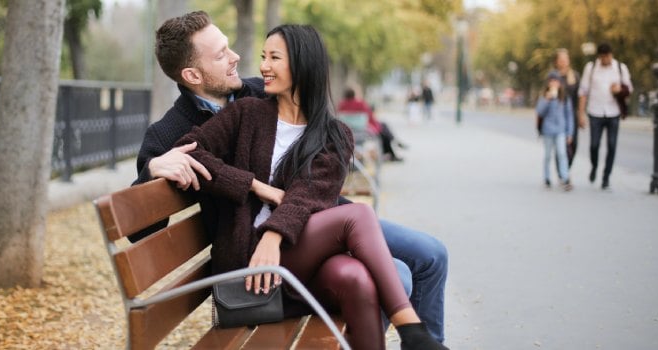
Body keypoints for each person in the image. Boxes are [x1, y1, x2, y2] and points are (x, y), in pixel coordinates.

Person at [134, 11, 448, 345]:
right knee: (395, 274)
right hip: (259, 244)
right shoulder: (169, 132)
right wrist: (152, 168)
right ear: (192, 74)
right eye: (221, 53)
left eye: (230, 47)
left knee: (431, 255)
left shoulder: (257, 91)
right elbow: (141, 227)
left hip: (317, 214)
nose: (237, 58)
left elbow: (319, 149)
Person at [577, 43, 633, 189]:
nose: (605, 59)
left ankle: (606, 176)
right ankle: (594, 166)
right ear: (599, 56)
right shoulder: (591, 68)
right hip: (595, 112)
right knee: (594, 145)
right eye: (603, 57)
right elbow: (583, 92)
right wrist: (580, 114)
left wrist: (619, 90)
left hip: (613, 112)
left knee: (612, 145)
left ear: (611, 54)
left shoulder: (620, 68)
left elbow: (629, 89)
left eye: (608, 56)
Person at [337, 87, 405, 162]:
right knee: (383, 129)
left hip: (349, 130)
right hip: (363, 129)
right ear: (354, 95)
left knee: (384, 129)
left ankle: (394, 146)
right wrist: (376, 126)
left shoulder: (341, 105)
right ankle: (394, 143)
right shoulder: (360, 103)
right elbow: (369, 116)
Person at [536, 71, 574, 191]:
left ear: (560, 83)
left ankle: (565, 177)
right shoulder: (544, 96)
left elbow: (569, 116)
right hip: (548, 131)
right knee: (548, 155)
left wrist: (570, 132)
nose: (554, 83)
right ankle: (547, 178)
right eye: (551, 81)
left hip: (560, 131)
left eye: (556, 81)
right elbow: (540, 112)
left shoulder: (565, 97)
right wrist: (547, 99)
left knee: (562, 154)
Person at [550, 48, 580, 168]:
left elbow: (580, 96)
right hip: (558, 115)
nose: (563, 62)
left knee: (574, 144)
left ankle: (566, 168)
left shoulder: (575, 76)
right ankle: (563, 174)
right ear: (556, 61)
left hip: (572, 114)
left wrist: (581, 114)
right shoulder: (553, 76)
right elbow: (546, 94)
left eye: (565, 59)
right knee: (561, 145)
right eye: (561, 60)